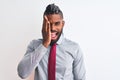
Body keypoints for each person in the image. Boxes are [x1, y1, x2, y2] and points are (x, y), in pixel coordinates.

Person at [17, 3, 86, 80]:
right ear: (44, 25)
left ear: (62, 24)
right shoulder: (34, 45)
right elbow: (22, 73)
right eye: (49, 24)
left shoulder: (74, 48)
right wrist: (44, 44)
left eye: (57, 23)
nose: (52, 28)